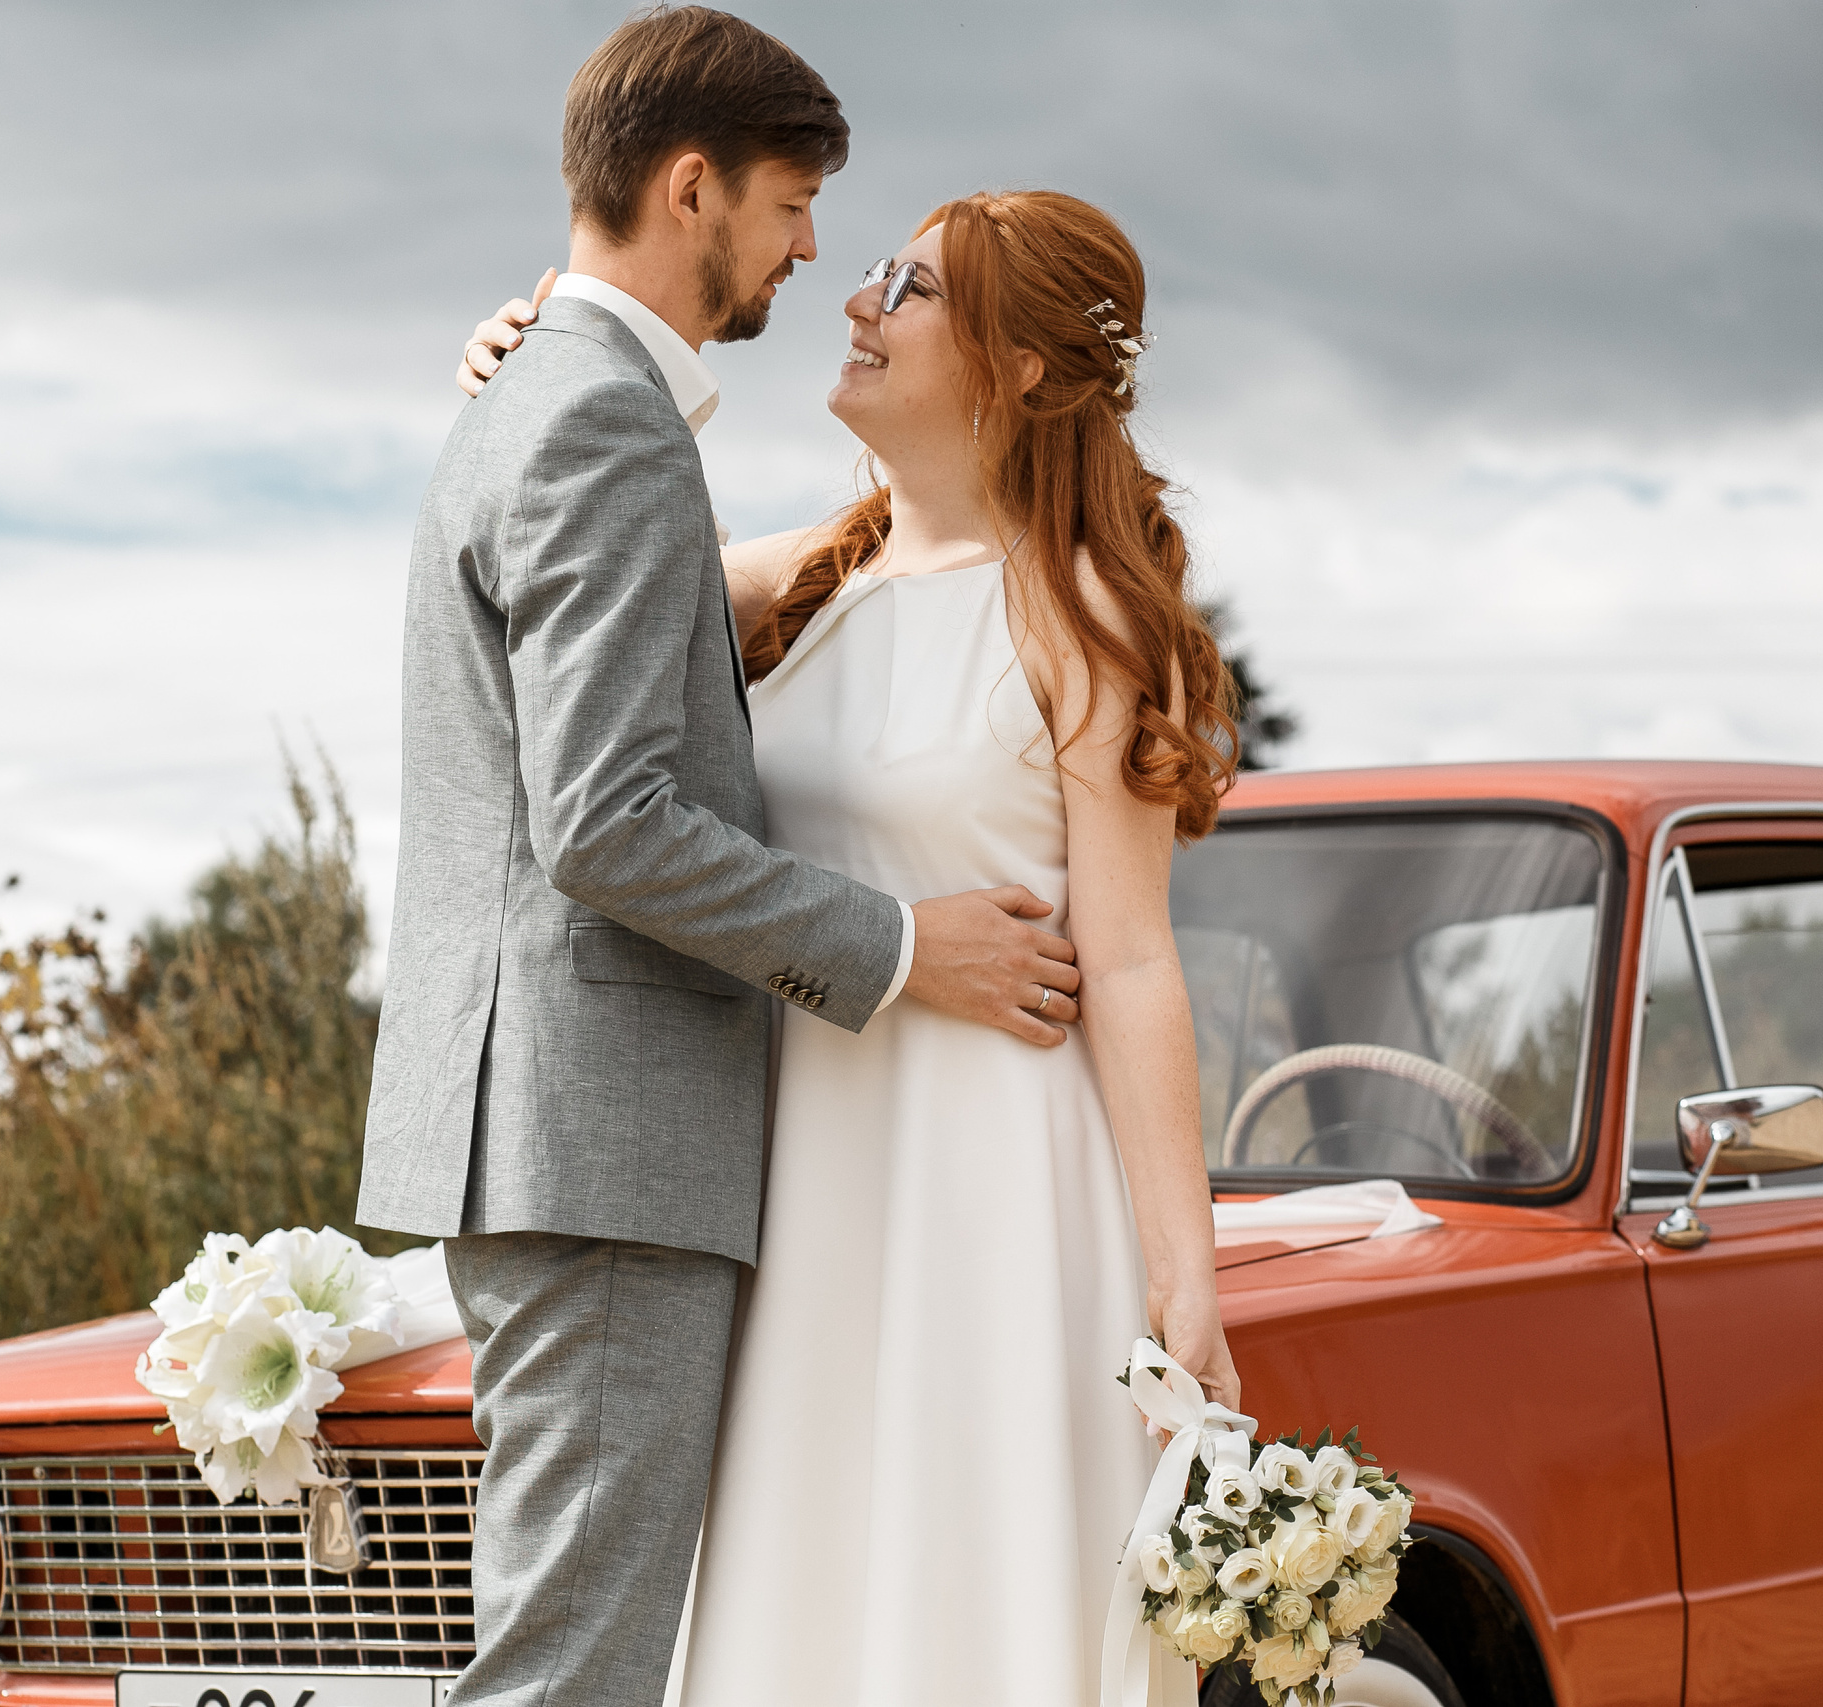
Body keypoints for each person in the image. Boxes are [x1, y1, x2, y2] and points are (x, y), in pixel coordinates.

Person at [355, 12, 1094, 1707]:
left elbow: (729, 611)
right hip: (602, 1135)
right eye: (789, 203)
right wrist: (908, 950)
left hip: (562, 1130)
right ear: (692, 188)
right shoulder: (600, 416)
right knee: (573, 1675)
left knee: (579, 1651)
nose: (814, 248)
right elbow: (607, 822)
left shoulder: (555, 392)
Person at [455, 189, 1245, 1707]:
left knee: (973, 1578)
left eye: (914, 288)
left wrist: (1184, 1270)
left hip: (995, 1180)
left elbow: (1134, 962)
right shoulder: (801, 581)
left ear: (1018, 368)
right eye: (873, 271)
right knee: (806, 1586)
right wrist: (520, 361)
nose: (858, 301)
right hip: (801, 1172)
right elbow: (567, 534)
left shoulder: (1081, 615)